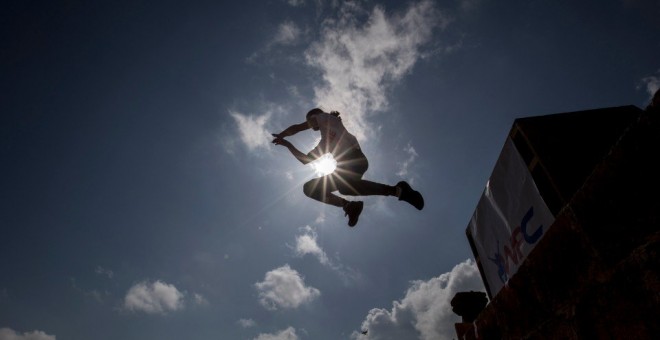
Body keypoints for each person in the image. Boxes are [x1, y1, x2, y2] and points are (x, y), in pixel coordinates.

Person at [272, 108, 424, 227]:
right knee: (310, 188)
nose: (311, 125)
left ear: (315, 116)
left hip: (355, 159)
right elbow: (305, 160)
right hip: (345, 168)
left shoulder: (326, 118)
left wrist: (282, 135)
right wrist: (287, 145)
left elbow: (298, 127)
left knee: (344, 186)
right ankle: (356, 203)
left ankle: (394, 191)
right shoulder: (325, 143)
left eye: (311, 121)